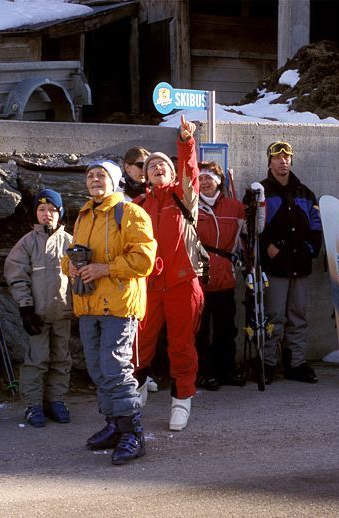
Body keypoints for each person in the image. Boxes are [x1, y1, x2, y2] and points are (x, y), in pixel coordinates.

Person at [63, 160, 156, 465]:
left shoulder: (129, 212)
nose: (94, 180)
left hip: (118, 304)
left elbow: (144, 259)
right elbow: (72, 254)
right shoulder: (84, 215)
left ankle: (133, 432)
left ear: (114, 180)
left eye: (100, 175)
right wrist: (70, 266)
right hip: (89, 304)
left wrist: (105, 268)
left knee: (115, 367)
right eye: (90, 176)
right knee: (98, 368)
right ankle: (114, 424)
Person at [133, 115, 204, 432]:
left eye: (163, 164)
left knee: (181, 346)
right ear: (145, 176)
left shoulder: (183, 196)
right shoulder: (139, 203)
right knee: (139, 342)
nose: (158, 167)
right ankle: (136, 389)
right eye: (152, 166)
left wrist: (186, 143)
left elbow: (191, 172)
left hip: (181, 283)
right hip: (148, 284)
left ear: (173, 173)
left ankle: (181, 400)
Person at [4, 189, 73, 427]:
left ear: (60, 213)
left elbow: (79, 277)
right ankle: (33, 403)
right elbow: (17, 276)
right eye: (42, 210)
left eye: (52, 210)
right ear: (35, 213)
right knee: (37, 359)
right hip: (37, 314)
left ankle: (55, 400)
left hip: (63, 313)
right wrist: (26, 307)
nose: (47, 214)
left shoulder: (70, 242)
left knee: (61, 359)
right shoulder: (27, 243)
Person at [257, 141, 322, 384]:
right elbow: (252, 227)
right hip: (275, 267)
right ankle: (267, 363)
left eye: (287, 157)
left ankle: (296, 364)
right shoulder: (261, 191)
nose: (283, 161)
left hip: (300, 265)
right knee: (273, 316)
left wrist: (310, 250)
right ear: (270, 162)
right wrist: (268, 248)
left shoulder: (305, 193)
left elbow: (316, 226)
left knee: (298, 316)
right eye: (277, 157)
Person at [195, 161, 246, 389]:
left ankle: (225, 370)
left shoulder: (234, 207)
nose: (204, 182)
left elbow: (255, 229)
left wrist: (259, 204)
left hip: (225, 271)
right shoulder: (191, 206)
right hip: (200, 271)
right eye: (200, 178)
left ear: (218, 181)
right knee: (201, 327)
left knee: (226, 326)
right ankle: (203, 372)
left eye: (209, 177)